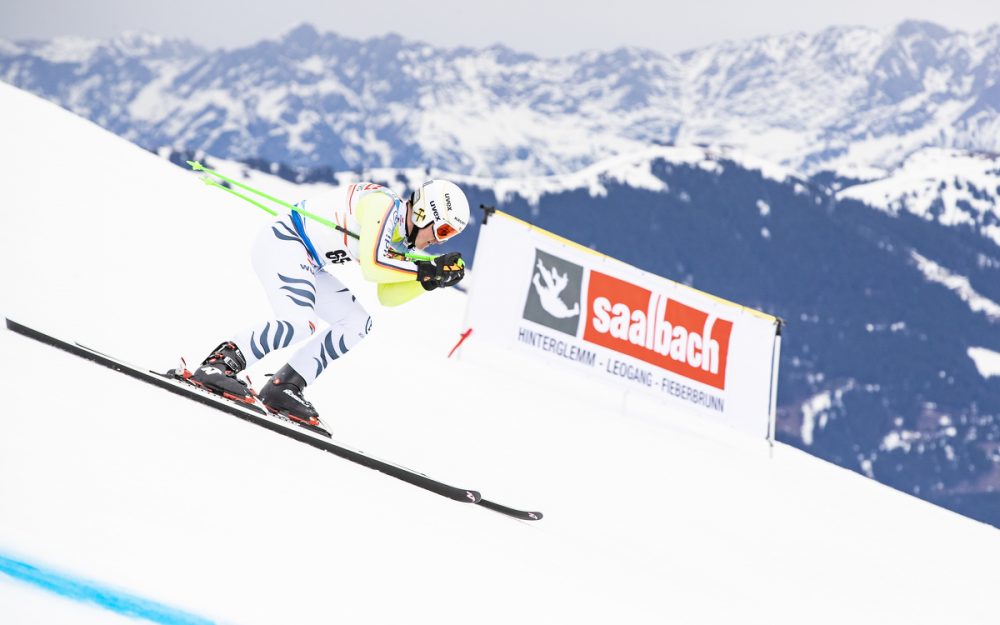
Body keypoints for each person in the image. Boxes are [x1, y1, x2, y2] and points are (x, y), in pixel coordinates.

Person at [178, 179, 470, 436]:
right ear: (423, 213)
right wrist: (426, 270)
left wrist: (431, 280)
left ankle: (284, 387)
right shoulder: (383, 206)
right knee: (299, 322)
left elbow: (387, 296)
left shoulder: (400, 238)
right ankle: (219, 365)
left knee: (357, 323)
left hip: (308, 260)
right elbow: (374, 266)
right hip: (285, 242)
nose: (439, 240)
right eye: (442, 229)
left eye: (449, 236)